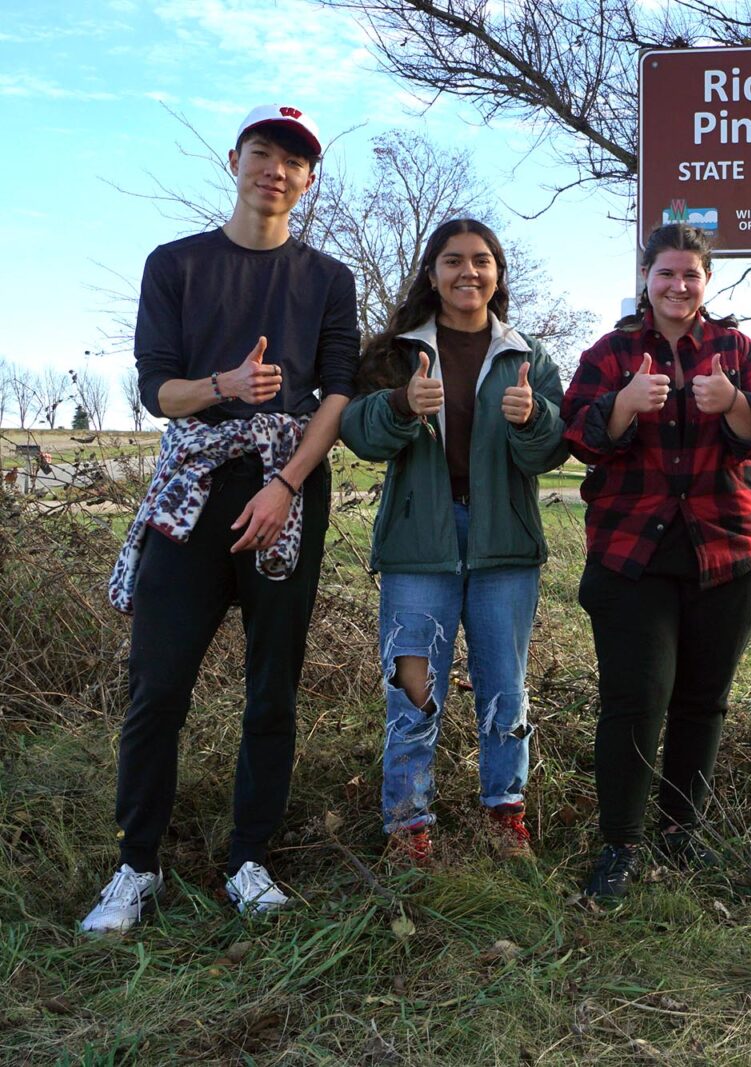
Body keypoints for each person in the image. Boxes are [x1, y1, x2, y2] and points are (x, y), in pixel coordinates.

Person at [86, 105, 358, 932]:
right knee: (156, 686)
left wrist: (287, 485)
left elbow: (338, 392)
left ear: (308, 182)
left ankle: (249, 858)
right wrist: (225, 387)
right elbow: (156, 388)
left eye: (294, 161)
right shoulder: (175, 264)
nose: (276, 169)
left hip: (288, 491)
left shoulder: (328, 279)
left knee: (271, 686)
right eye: (262, 152)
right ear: (234, 160)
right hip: (190, 495)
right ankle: (137, 866)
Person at [561, 224, 751, 899]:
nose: (678, 286)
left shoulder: (736, 350)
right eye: (666, 273)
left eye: (691, 274)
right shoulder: (610, 352)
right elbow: (577, 432)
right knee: (636, 699)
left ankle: (680, 834)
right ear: (645, 278)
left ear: (707, 281)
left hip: (721, 550)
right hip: (631, 555)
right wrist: (622, 406)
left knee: (701, 702)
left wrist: (735, 404)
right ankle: (620, 845)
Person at [340, 219, 567, 865]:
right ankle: (408, 825)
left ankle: (504, 814)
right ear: (431, 273)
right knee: (413, 686)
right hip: (421, 546)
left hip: (503, 547)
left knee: (505, 686)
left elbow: (552, 451)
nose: (468, 272)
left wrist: (535, 419)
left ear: (497, 273)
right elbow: (360, 434)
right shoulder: (398, 351)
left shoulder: (526, 355)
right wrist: (400, 405)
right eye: (452, 261)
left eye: (481, 260)